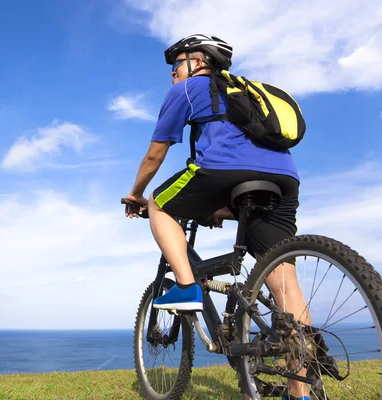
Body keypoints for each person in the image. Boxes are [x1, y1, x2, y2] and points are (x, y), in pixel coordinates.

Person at [123, 34, 311, 400]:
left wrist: (136, 194)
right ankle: (300, 392)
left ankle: (186, 285)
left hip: (223, 172)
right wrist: (217, 208)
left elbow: (154, 155)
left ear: (197, 62)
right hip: (284, 180)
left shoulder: (189, 89)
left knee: (160, 204)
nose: (173, 73)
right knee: (285, 284)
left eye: (176, 64)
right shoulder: (248, 92)